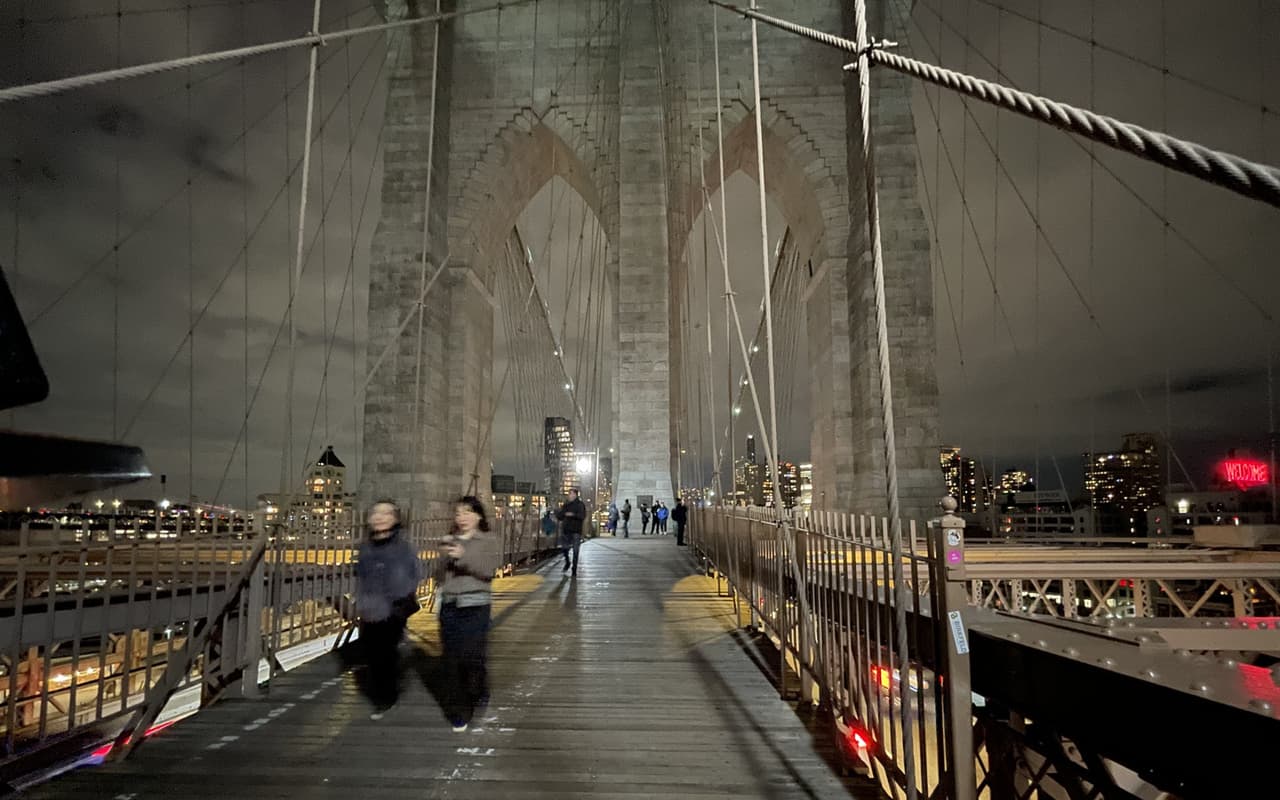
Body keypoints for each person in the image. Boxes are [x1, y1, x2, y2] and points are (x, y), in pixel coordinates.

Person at [435, 495, 502, 733]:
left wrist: (463, 555)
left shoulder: (488, 540)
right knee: (451, 660)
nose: (461, 517)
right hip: (450, 606)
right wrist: (443, 558)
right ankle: (459, 712)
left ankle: (479, 690)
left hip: (476, 606)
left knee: (473, 658)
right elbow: (440, 577)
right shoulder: (449, 541)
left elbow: (488, 570)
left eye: (467, 512)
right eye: (458, 513)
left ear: (478, 515)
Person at [355, 499, 423, 720]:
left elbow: (413, 574)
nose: (380, 517)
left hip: (393, 609)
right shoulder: (365, 547)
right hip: (369, 610)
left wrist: (398, 594)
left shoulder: (403, 548)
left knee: (384, 653)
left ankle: (386, 698)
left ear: (395, 518)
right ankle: (385, 690)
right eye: (376, 513)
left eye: (386, 513)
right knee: (373, 656)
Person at [556, 488, 587, 575]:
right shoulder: (566, 505)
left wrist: (572, 515)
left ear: (575, 495)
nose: (569, 495)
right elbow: (560, 516)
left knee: (576, 550)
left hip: (576, 530)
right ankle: (567, 562)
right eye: (569, 494)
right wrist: (559, 513)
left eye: (571, 494)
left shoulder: (580, 505)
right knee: (564, 548)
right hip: (566, 530)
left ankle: (574, 569)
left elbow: (582, 516)